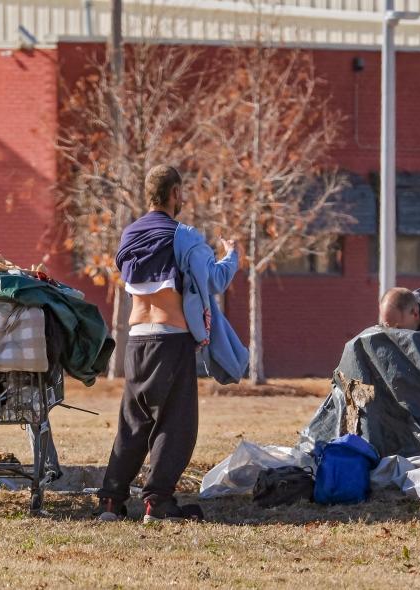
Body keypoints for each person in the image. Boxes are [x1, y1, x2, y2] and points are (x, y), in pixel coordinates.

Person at [97, 165, 246, 523]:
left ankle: (111, 502)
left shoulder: (129, 236)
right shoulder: (185, 237)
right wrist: (232, 254)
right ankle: (158, 502)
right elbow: (214, 280)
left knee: (133, 423)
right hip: (171, 340)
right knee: (175, 424)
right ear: (175, 193)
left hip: (135, 341)